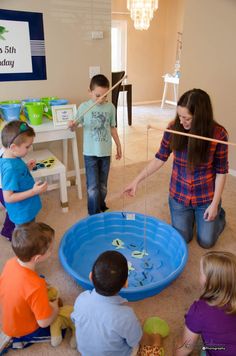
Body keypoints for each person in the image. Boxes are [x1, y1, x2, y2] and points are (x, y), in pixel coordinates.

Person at [124, 89, 228, 248]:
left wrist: (214, 204)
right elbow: (160, 158)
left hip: (206, 197)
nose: (182, 121)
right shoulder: (174, 128)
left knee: (206, 242)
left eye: (187, 118)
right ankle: (194, 218)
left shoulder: (219, 134)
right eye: (179, 116)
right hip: (179, 196)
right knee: (182, 239)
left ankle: (219, 214)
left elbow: (221, 171)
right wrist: (136, 180)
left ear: (201, 117)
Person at [0, 222, 59, 353]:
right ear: (37, 258)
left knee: (40, 278)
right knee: (60, 323)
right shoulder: (36, 286)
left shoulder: (10, 262)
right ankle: (16, 341)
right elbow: (44, 322)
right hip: (22, 330)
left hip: (10, 313)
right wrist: (55, 309)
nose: (52, 250)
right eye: (50, 249)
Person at [71, 250, 142, 356]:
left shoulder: (81, 299)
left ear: (90, 277)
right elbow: (135, 340)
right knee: (147, 343)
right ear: (126, 284)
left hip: (85, 352)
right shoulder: (126, 316)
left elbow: (75, 321)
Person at [69, 74, 122, 215]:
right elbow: (74, 126)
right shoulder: (84, 107)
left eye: (105, 96)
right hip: (90, 153)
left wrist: (118, 145)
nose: (101, 99)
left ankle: (101, 205)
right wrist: (72, 125)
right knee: (93, 186)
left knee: (103, 185)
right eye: (98, 95)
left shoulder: (110, 107)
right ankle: (93, 213)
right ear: (89, 92)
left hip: (105, 152)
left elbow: (112, 128)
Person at [175, 251, 236, 355]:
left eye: (201, 272)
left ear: (208, 282)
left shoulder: (199, 311)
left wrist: (178, 350)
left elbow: (187, 347)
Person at [0, 121, 47, 235]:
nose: (30, 149)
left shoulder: (12, 157)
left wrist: (26, 168)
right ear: (13, 147)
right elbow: (8, 198)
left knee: (30, 231)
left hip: (26, 208)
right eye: (27, 146)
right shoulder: (10, 168)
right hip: (22, 213)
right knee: (26, 238)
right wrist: (33, 191)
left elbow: (16, 176)